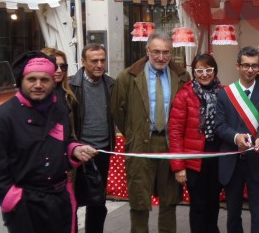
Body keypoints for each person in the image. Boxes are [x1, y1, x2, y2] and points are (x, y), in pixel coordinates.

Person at [0, 51, 97, 233]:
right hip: (25, 204)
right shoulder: (1, 119)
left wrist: (74, 149)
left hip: (60, 200)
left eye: (44, 80)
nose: (38, 85)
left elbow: (67, 140)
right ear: (21, 81)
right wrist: (12, 199)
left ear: (53, 81)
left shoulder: (59, 108)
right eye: (31, 79)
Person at [111, 32, 191, 233]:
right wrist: (134, 134)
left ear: (172, 53)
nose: (161, 57)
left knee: (170, 200)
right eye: (156, 52)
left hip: (170, 145)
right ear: (147, 51)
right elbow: (117, 111)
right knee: (139, 201)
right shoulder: (128, 77)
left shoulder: (182, 77)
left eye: (166, 52)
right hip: (140, 145)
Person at [214, 46, 259, 233]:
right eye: (246, 65)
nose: (250, 70)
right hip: (232, 161)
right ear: (237, 66)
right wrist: (235, 137)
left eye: (254, 66)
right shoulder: (224, 94)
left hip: (256, 159)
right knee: (233, 211)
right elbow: (220, 125)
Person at [169, 53, 222, 233]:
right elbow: (175, 132)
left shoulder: (224, 93)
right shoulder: (184, 95)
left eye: (208, 69)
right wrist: (178, 167)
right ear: (194, 72)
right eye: (200, 70)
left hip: (217, 157)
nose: (204, 74)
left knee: (214, 203)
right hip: (194, 161)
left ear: (215, 71)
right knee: (198, 205)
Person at [68, 43, 115, 233]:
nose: (99, 64)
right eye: (94, 60)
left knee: (98, 203)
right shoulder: (71, 86)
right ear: (83, 62)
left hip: (102, 151)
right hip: (77, 154)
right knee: (73, 201)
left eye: (102, 60)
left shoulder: (111, 84)